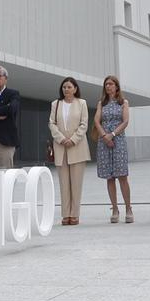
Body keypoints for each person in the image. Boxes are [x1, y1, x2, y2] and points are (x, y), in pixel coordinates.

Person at [49, 77, 90, 226]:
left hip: (77, 146)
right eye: (64, 87)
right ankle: (65, 214)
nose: (66, 89)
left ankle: (75, 214)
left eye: (69, 87)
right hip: (61, 147)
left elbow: (84, 124)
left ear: (75, 89)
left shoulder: (82, 103)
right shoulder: (56, 104)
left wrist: (73, 139)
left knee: (76, 184)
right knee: (64, 183)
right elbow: (52, 123)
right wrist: (61, 139)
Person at [94, 75, 132, 222]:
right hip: (104, 141)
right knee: (110, 177)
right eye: (106, 84)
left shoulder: (123, 102)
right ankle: (115, 208)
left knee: (122, 175)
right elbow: (97, 121)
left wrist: (113, 134)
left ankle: (128, 208)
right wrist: (105, 136)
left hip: (119, 140)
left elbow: (126, 121)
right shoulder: (101, 104)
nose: (108, 87)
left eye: (111, 84)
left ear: (116, 86)